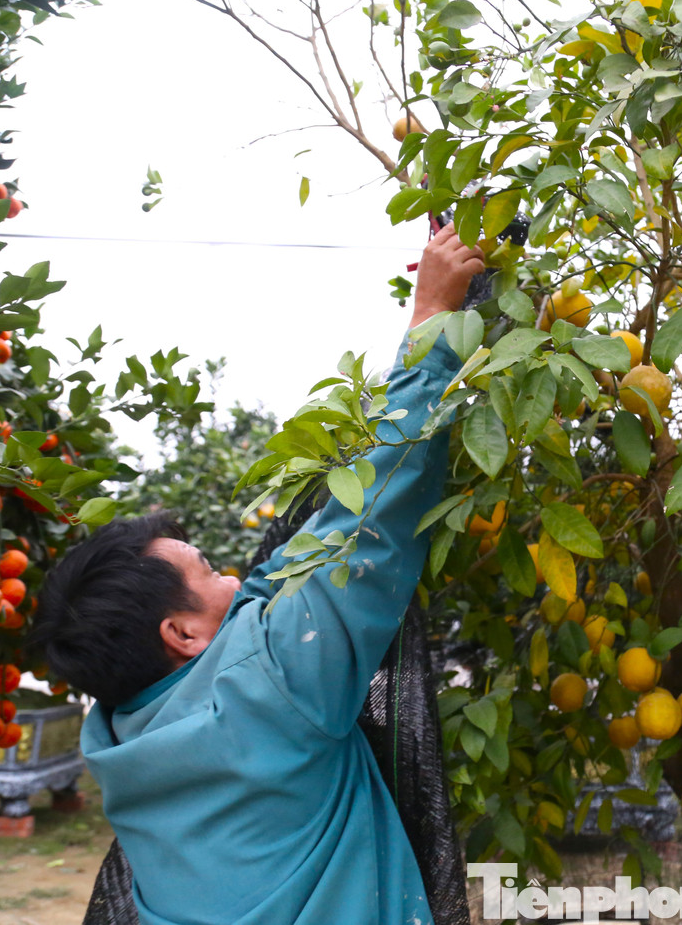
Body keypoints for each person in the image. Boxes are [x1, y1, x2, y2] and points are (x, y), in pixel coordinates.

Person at [30, 224, 484, 925]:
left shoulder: (122, 746)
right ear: (181, 632)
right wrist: (428, 325)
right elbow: (372, 526)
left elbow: (279, 576)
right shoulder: (272, 682)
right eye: (207, 570)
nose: (234, 578)